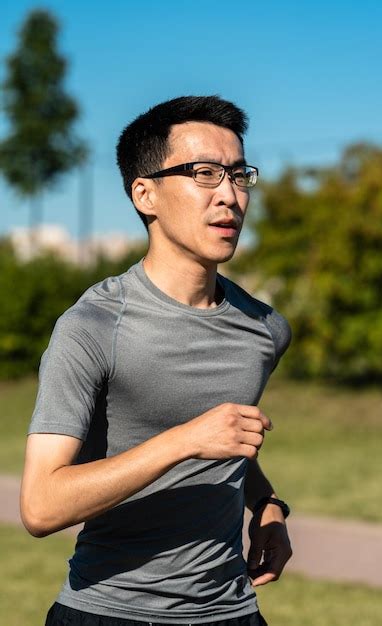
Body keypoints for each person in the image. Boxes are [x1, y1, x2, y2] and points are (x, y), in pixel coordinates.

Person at [21, 95, 292, 626]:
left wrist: (268, 504)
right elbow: (41, 505)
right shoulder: (92, 328)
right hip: (107, 610)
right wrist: (185, 440)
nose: (230, 197)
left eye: (239, 175)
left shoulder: (263, 328)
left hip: (233, 612)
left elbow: (227, 441)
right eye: (204, 174)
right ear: (145, 194)